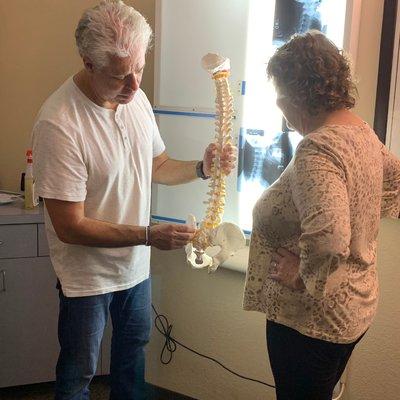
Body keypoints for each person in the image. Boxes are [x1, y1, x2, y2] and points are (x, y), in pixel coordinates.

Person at [32, 1, 236, 399]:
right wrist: (148, 235)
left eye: (139, 68)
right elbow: (69, 226)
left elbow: (157, 165)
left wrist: (202, 168)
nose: (135, 85)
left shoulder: (134, 100)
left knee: (132, 358)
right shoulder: (59, 123)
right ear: (88, 63)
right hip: (86, 279)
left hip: (135, 269)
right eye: (120, 75)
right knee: (79, 371)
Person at [243, 31, 400, 400]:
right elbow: (394, 180)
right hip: (354, 306)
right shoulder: (359, 131)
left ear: (297, 94)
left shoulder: (318, 147)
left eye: (279, 94)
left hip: (313, 322)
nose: (278, 104)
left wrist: (303, 276)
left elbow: (329, 238)